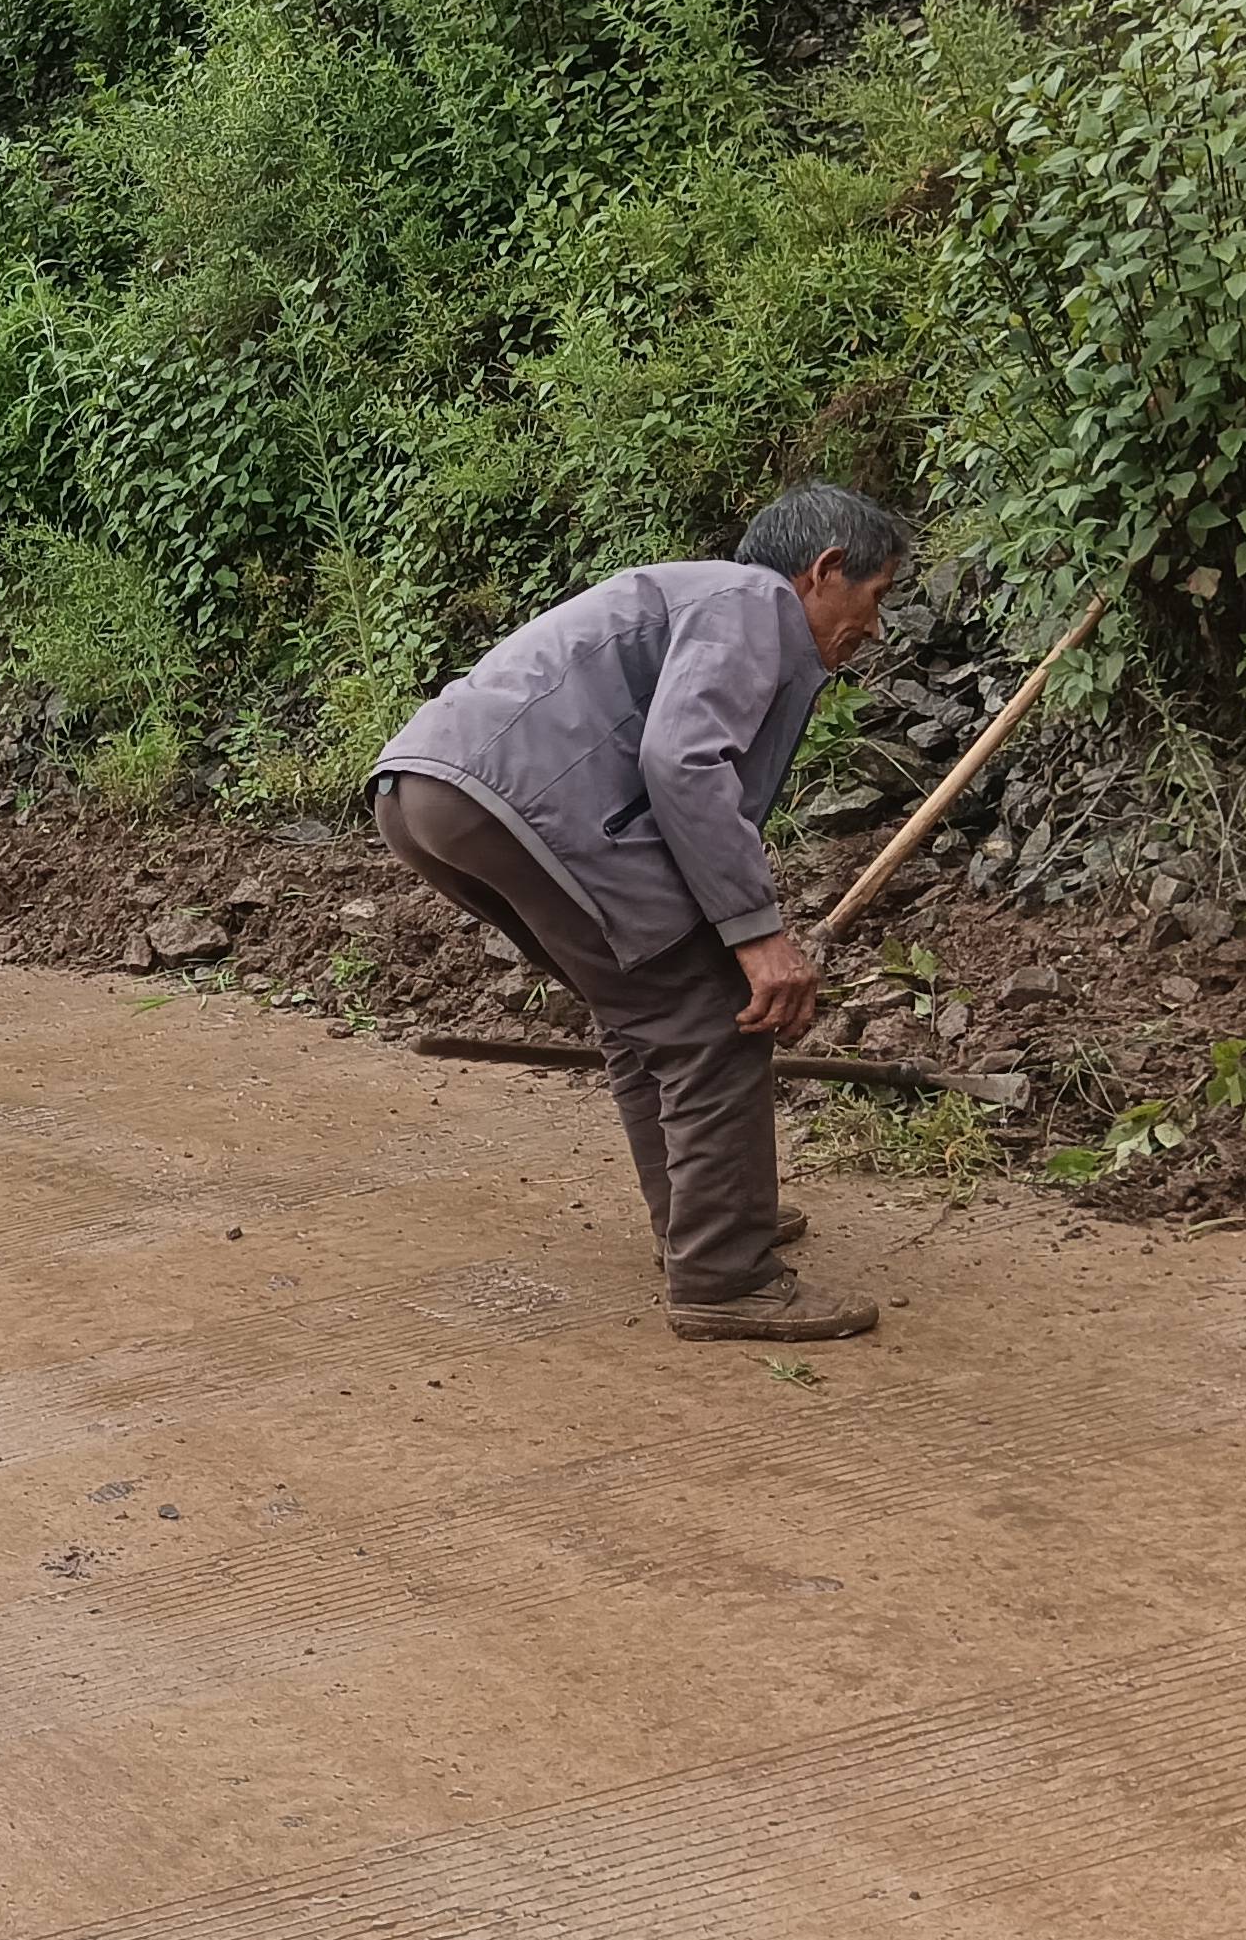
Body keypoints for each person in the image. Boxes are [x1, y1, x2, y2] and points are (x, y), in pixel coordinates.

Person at [368, 482, 908, 1345]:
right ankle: (725, 1277)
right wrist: (760, 938)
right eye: (875, 599)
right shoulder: (751, 602)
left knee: (643, 1010)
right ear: (826, 569)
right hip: (516, 799)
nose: (873, 629)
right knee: (711, 1016)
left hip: (430, 796)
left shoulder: (704, 598)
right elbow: (686, 763)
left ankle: (704, 1223)